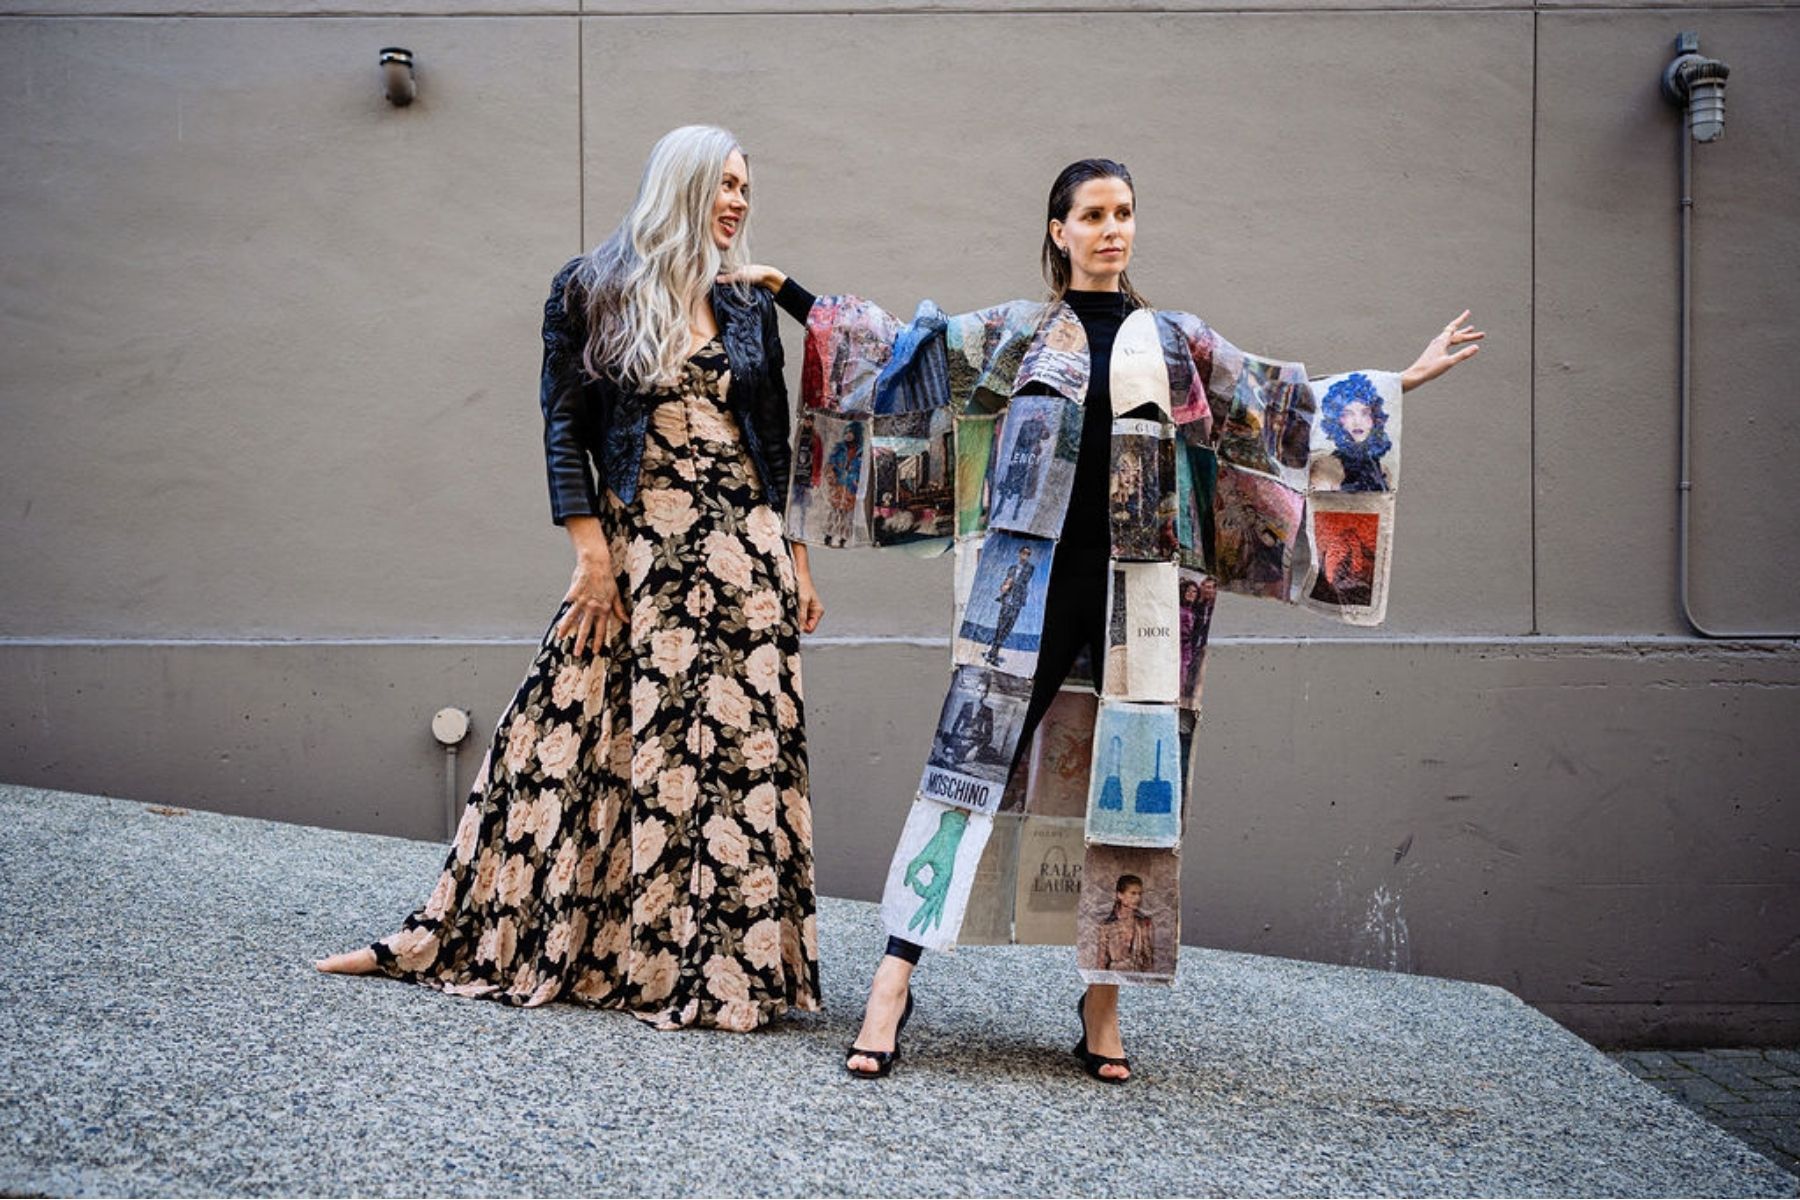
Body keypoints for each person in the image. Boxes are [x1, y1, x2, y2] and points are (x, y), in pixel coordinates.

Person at [728, 156, 1480, 1080]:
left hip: (1144, 598)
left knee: (1131, 801)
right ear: (1059, 230)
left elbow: (1280, 409)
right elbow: (899, 354)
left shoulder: (1177, 343)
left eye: (1124, 212)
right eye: (1093, 214)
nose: (1112, 228)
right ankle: (893, 981)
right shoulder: (1018, 332)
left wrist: (1400, 382)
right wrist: (786, 289)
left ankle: (1102, 1000)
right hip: (1028, 592)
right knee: (966, 770)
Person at [315, 125, 826, 1032]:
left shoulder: (745, 303)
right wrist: (590, 553)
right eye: (723, 185)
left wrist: (795, 554)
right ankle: (461, 932)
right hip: (643, 549)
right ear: (682, 185)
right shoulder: (592, 286)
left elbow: (774, 440)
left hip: (745, 554)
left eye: (746, 187)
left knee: (739, 759)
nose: (739, 203)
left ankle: (719, 971)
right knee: (561, 735)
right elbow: (563, 427)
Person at [1095, 874, 1154, 974]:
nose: (1137, 898)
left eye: (1139, 894)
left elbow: (1148, 957)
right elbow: (1101, 961)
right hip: (1113, 976)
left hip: (1138, 976)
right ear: (1120, 895)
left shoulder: (1143, 923)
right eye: (1133, 893)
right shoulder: (1106, 926)